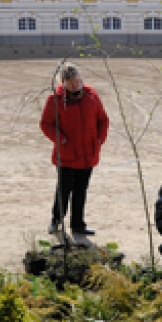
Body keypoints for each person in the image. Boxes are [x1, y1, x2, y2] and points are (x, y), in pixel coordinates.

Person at [40, 62, 110, 236]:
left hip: (88, 154)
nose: (76, 84)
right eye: (72, 82)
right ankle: (56, 221)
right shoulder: (55, 100)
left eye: (78, 80)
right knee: (64, 191)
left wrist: (99, 139)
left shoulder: (91, 95)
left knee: (80, 191)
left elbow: (103, 119)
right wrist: (61, 139)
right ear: (63, 82)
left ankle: (78, 225)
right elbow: (46, 124)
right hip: (66, 156)